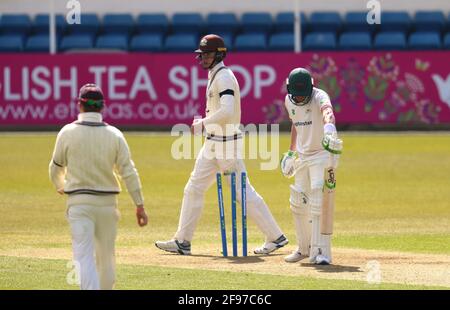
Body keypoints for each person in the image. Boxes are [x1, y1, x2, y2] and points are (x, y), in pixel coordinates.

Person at [155, 34, 288, 255]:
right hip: (213, 143)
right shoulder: (216, 75)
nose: (204, 58)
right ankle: (182, 241)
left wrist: (202, 123)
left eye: (208, 54)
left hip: (226, 145)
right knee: (193, 188)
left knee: (241, 192)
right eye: (202, 55)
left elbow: (227, 110)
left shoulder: (224, 77)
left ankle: (275, 236)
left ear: (219, 54)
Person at [49, 83, 148, 289]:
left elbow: (55, 167)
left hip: (79, 204)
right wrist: (139, 204)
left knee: (83, 256)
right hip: (107, 205)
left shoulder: (67, 132)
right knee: (106, 257)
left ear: (79, 105)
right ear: (102, 107)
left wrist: (61, 185)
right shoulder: (115, 135)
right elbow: (129, 172)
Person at [280, 68, 343, 265]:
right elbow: (295, 124)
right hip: (302, 155)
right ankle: (304, 248)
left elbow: (328, 112)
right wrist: (291, 152)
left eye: (303, 95)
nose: (299, 99)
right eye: (296, 95)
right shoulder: (289, 100)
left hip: (321, 153)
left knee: (318, 199)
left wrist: (330, 130)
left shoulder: (319, 96)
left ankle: (322, 252)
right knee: (297, 201)